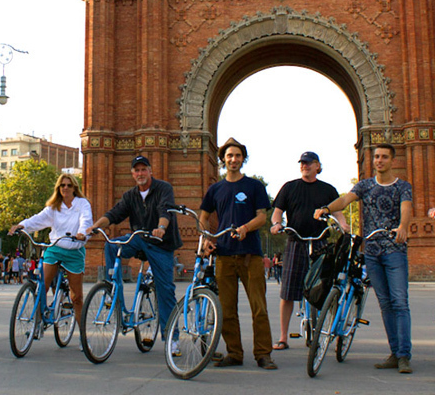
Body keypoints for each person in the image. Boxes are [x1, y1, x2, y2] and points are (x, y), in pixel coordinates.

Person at [314, 143, 413, 374]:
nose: (379, 160)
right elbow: (345, 200)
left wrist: (403, 227)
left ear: (392, 160)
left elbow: (406, 209)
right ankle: (394, 352)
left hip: (394, 250)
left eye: (384, 157)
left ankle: (404, 356)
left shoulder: (402, 187)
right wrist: (327, 208)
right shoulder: (365, 186)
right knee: (386, 303)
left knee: (400, 302)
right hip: (372, 254)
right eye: (376, 156)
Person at [87, 155, 182, 352]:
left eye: (143, 169)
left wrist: (161, 228)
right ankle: (114, 293)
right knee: (112, 245)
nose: (140, 173)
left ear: (150, 171)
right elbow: (115, 214)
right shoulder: (130, 195)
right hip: (139, 238)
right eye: (136, 170)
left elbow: (166, 211)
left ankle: (171, 337)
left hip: (161, 243)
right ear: (132, 174)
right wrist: (95, 227)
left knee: (165, 290)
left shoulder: (164, 188)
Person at [199, 137, 277, 370]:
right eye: (229, 156)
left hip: (250, 254)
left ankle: (263, 354)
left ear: (243, 159)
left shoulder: (254, 186)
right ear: (223, 159)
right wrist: (206, 239)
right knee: (226, 308)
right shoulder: (216, 189)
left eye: (238, 155)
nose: (233, 159)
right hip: (223, 254)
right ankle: (234, 353)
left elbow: (262, 216)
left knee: (259, 307)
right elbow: (203, 216)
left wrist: (245, 228)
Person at [270, 151, 348, 351]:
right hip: (296, 241)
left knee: (324, 288)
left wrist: (343, 225)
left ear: (317, 166)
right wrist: (277, 224)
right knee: (287, 291)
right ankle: (283, 337)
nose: (304, 166)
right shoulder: (289, 187)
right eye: (302, 163)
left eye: (308, 163)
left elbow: (337, 211)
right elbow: (277, 211)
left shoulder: (328, 189)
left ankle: (327, 328)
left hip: (321, 242)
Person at [8, 174, 93, 342]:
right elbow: (37, 219)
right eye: (62, 185)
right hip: (55, 248)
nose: (65, 188)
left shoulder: (82, 204)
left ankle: (84, 337)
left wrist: (82, 233)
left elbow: (86, 220)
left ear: (74, 188)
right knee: (42, 286)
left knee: (76, 297)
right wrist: (21, 225)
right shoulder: (54, 207)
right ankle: (38, 323)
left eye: (69, 185)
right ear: (58, 189)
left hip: (74, 251)